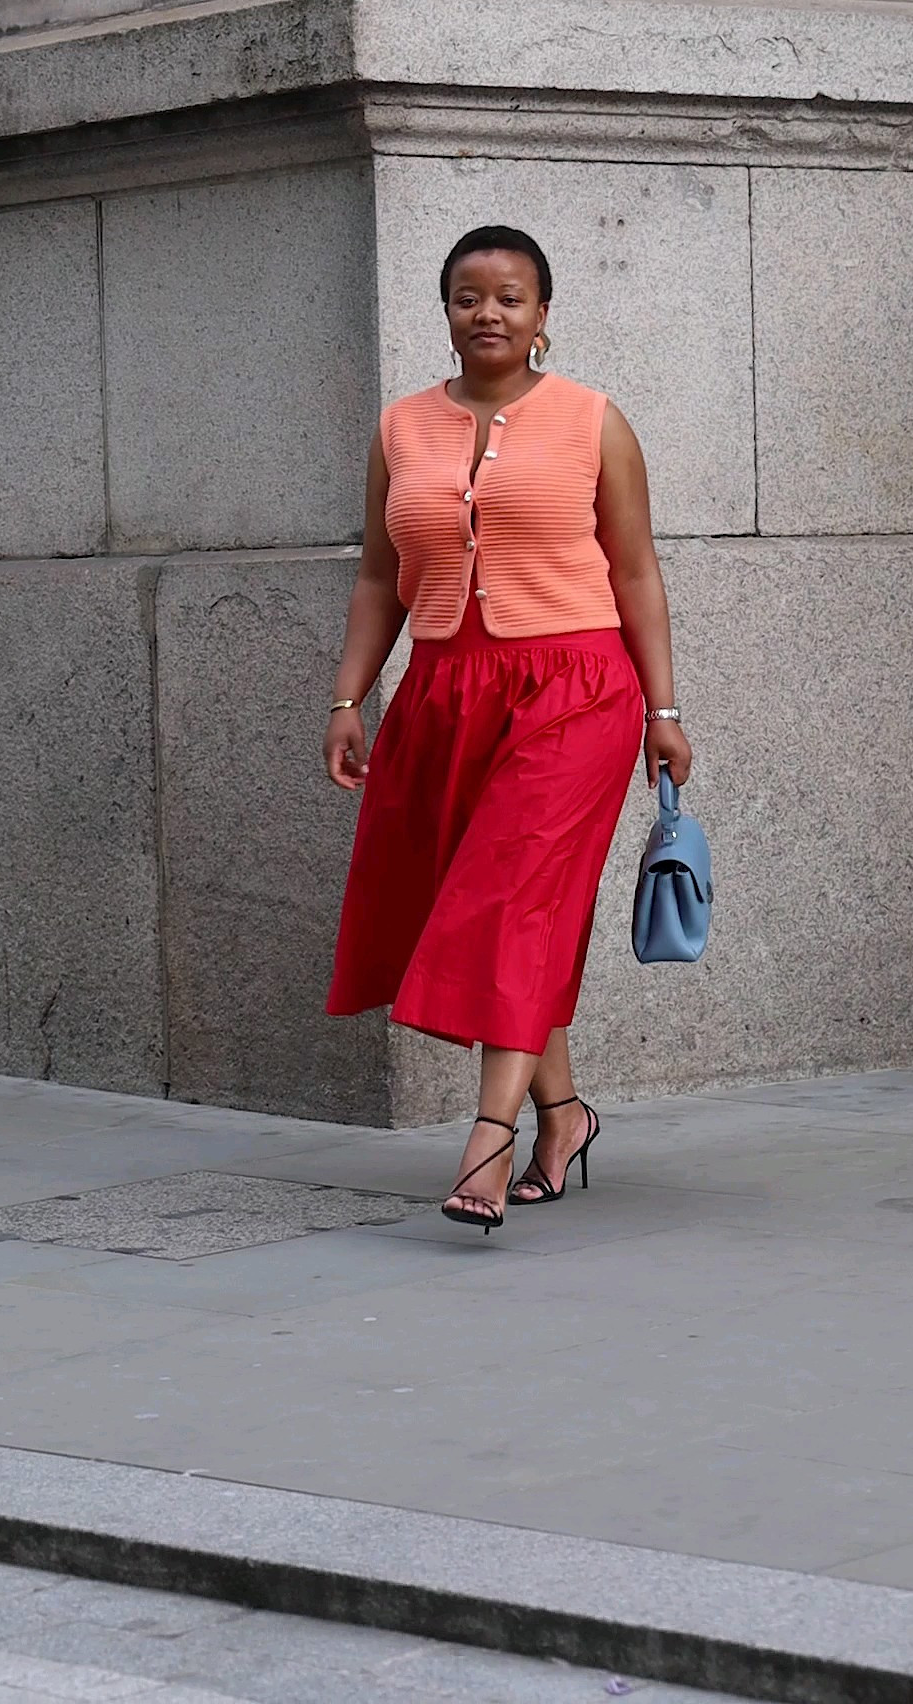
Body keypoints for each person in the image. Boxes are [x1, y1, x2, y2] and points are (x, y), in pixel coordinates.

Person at [325, 225, 692, 1234]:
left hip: (576, 688)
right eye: (467, 296)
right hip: (444, 691)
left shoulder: (593, 421)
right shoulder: (401, 429)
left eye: (510, 296)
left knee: (510, 898)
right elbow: (377, 578)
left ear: (542, 314)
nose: (487, 312)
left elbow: (636, 571)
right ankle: (563, 1114)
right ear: (444, 311)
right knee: (501, 906)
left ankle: (486, 1142)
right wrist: (350, 697)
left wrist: (663, 710)